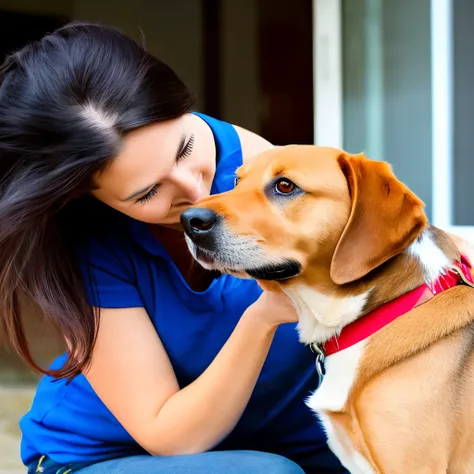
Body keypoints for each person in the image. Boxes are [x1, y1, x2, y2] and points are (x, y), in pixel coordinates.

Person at [0, 21, 471, 474]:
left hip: (284, 445)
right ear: (89, 197)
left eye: (185, 149)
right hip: (113, 457)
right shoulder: (91, 246)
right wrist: (263, 317)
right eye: (147, 193)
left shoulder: (280, 175)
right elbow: (172, 436)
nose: (193, 190)